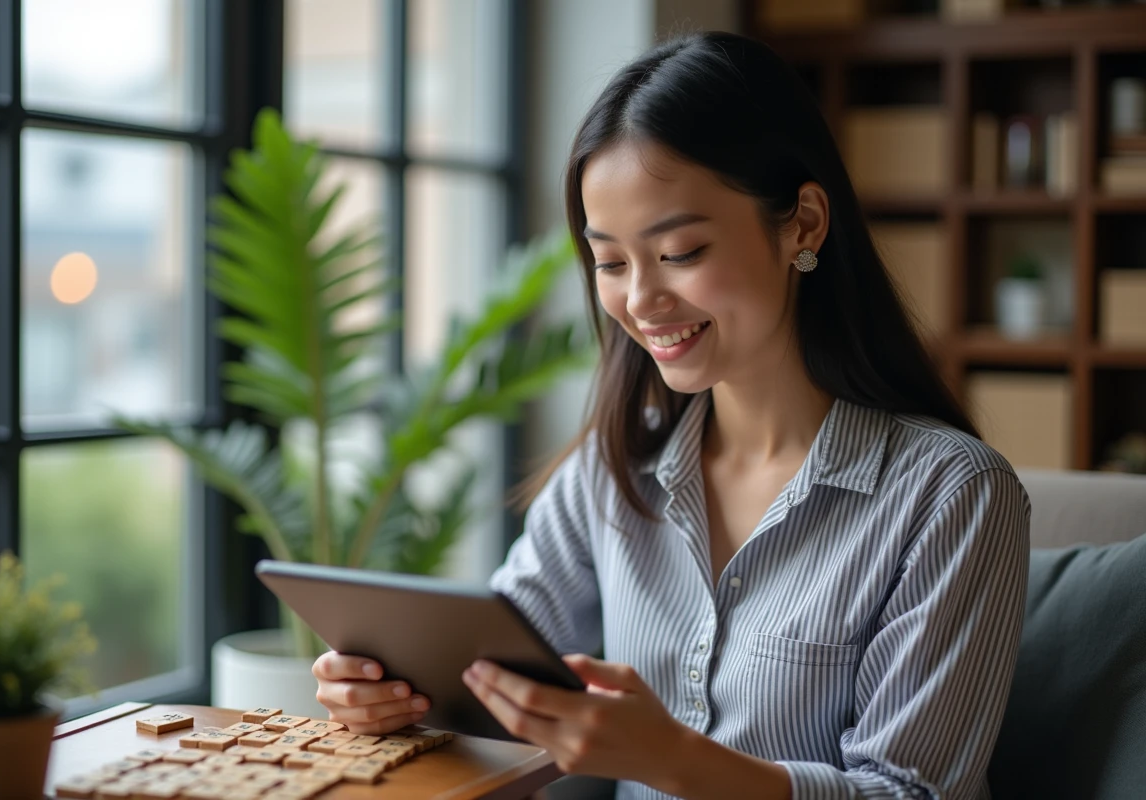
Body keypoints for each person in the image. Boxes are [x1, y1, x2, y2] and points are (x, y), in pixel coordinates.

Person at [313, 31, 1030, 800]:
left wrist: (672, 759)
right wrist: (392, 695)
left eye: (681, 251)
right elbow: (493, 670)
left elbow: (912, 795)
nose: (641, 300)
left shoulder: (952, 495)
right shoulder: (612, 470)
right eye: (611, 263)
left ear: (805, 225)